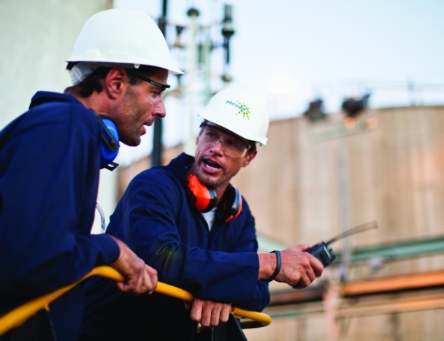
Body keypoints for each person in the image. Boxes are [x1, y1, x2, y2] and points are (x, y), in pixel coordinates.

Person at [79, 87, 324, 340]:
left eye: (232, 143)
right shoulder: (154, 186)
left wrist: (216, 287)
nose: (216, 148)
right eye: (211, 134)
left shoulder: (239, 215)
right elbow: (160, 259)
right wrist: (270, 263)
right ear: (198, 137)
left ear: (249, 157)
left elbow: (259, 294)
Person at [0, 9, 182, 340]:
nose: (161, 109)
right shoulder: (65, 126)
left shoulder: (60, 129)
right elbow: (36, 263)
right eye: (156, 91)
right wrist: (113, 250)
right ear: (115, 82)